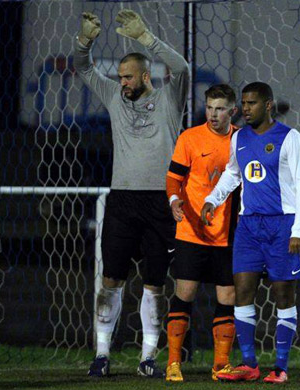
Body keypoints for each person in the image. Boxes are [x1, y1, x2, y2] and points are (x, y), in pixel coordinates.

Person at [73, 10, 189, 378]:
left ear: (144, 75)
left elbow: (182, 67)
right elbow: (85, 69)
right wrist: (84, 42)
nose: (121, 82)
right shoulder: (114, 97)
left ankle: (148, 358)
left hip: (160, 201)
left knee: (155, 283)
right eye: (120, 77)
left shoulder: (170, 99)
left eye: (128, 76)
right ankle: (103, 354)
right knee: (111, 279)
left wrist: (147, 39)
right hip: (122, 200)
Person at [200, 82, 300, 384]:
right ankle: (249, 364)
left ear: (268, 105)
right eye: (244, 103)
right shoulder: (240, 138)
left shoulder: (290, 139)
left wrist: (298, 229)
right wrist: (213, 199)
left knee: (282, 293)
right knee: (242, 291)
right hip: (248, 225)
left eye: (252, 103)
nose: (245, 109)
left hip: (282, 225)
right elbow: (233, 173)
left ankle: (281, 366)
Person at [165, 84, 240, 382]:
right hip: (191, 230)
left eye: (220, 108)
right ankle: (173, 363)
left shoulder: (241, 140)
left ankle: (220, 365)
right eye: (210, 107)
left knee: (228, 295)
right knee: (185, 293)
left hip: (228, 232)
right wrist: (174, 201)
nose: (213, 114)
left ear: (232, 111)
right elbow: (173, 179)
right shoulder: (190, 138)